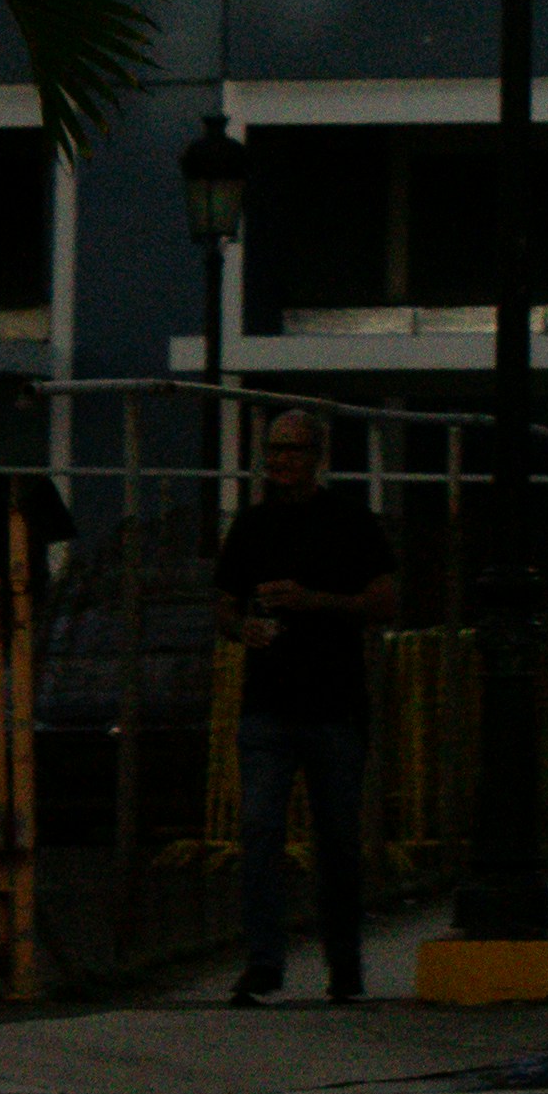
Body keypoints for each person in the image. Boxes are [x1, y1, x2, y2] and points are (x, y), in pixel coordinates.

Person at [213, 411, 396, 1007]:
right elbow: (222, 602)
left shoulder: (349, 522)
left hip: (333, 705)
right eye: (272, 449)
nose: (279, 460)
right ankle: (264, 963)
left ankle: (344, 965)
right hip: (267, 705)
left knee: (337, 842)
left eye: (292, 449)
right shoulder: (253, 524)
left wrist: (313, 601)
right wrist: (243, 629)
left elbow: (385, 600)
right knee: (260, 832)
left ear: (318, 455)